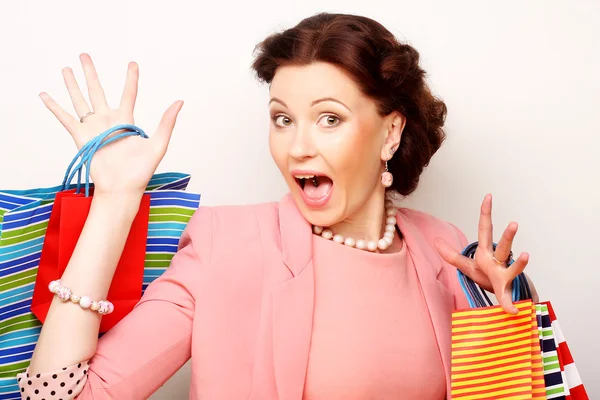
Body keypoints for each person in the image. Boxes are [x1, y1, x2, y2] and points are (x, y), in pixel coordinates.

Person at [17, 12, 538, 400]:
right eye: (282, 118)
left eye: (329, 119)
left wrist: (509, 323)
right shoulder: (227, 245)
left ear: (391, 131)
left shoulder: (447, 251)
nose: (297, 147)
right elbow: (57, 397)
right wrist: (114, 200)